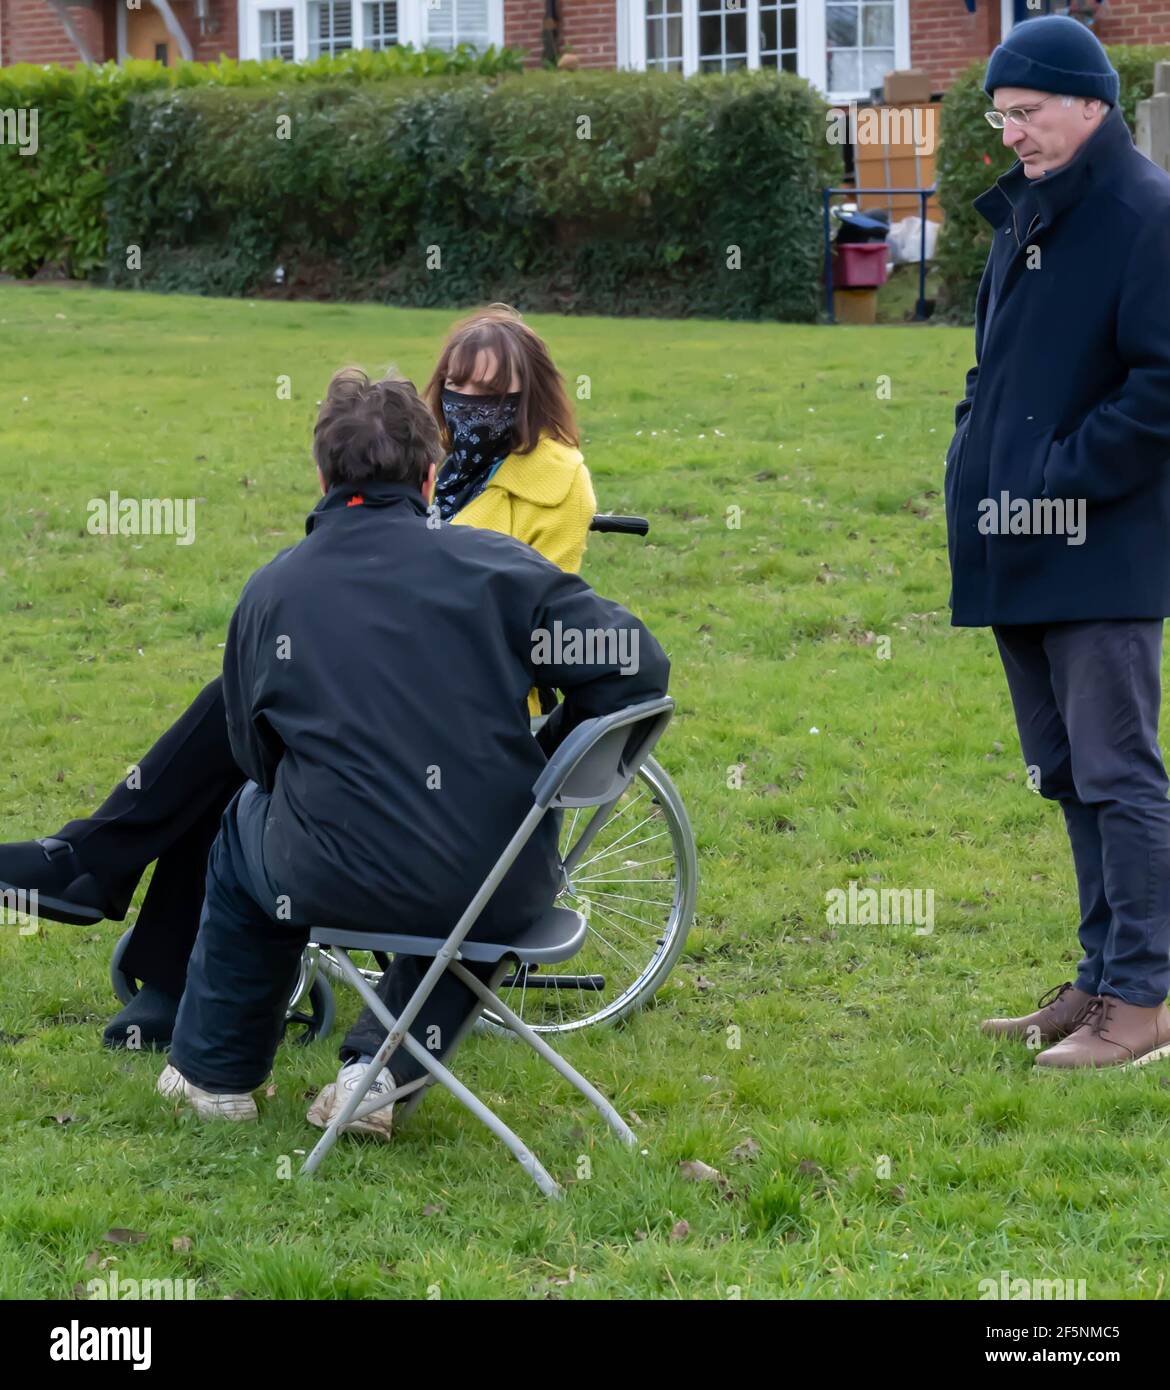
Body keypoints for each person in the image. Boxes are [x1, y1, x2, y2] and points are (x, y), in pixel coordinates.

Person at [0, 304, 596, 1056]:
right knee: (250, 719)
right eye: (462, 391)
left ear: (529, 396)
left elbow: (545, 633)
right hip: (367, 677)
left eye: (497, 394)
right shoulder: (405, 457)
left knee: (246, 739)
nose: (476, 409)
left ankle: (99, 875)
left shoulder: (554, 487)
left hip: (464, 699)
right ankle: (152, 954)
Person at [158, 367, 669, 1124]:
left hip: (323, 872)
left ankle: (215, 1077)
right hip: (501, 881)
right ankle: (376, 1075)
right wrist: (546, 756)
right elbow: (638, 668)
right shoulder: (501, 570)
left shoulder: (273, 592)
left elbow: (253, 754)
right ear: (432, 475)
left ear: (322, 472)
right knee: (479, 867)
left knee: (243, 825)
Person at [943, 17, 1170, 1068]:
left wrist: (1054, 476)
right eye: (1003, 118)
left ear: (1090, 104)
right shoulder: (1031, 212)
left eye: (1027, 115)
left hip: (1100, 548)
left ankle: (1146, 998)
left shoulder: (1144, 214)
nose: (1014, 137)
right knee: (1067, 772)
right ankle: (1098, 976)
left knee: (1119, 773)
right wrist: (977, 452)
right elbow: (1002, 367)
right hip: (1014, 542)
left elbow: (1161, 388)